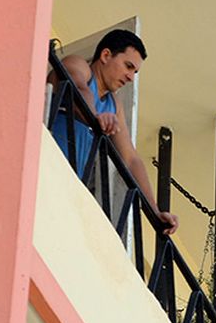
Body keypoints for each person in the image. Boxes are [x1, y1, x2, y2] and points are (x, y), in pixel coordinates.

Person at [49, 29, 179, 235]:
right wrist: (95, 116)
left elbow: (131, 158)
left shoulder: (113, 105)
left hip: (68, 187)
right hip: (44, 167)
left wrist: (154, 211)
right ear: (106, 55)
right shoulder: (78, 65)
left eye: (135, 72)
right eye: (128, 66)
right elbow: (78, 88)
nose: (130, 77)